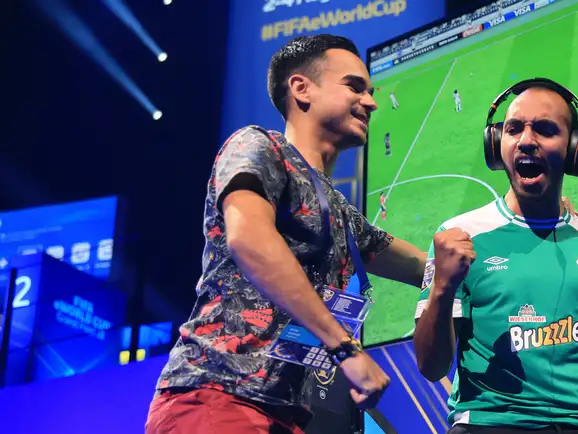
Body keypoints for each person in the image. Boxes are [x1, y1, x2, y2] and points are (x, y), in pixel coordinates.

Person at [145, 35, 428, 434]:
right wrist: (344, 347)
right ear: (301, 88)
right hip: (218, 393)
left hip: (286, 413)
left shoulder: (342, 214)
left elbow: (421, 266)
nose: (371, 102)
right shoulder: (259, 146)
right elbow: (249, 239)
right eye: (355, 87)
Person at [413, 79, 578, 434]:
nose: (526, 140)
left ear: (576, 150)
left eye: (544, 129)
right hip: (492, 425)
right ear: (497, 144)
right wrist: (442, 288)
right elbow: (431, 367)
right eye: (514, 129)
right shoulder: (458, 237)